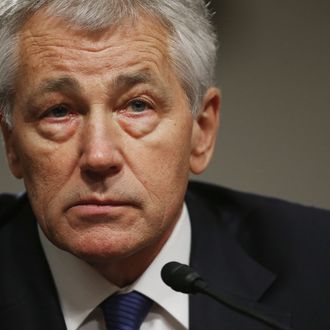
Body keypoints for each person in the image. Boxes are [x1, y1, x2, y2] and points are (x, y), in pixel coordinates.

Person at [0, 1, 330, 329]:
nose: (99, 157)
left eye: (138, 105)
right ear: (11, 143)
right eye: (58, 111)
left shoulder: (319, 265)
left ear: (201, 131)